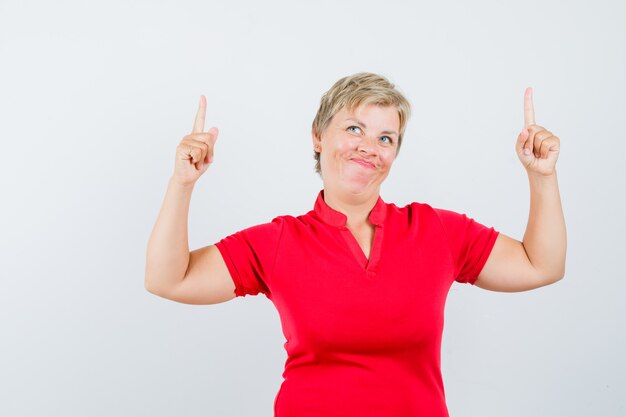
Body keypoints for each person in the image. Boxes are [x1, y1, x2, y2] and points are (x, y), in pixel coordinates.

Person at [144, 72, 566, 417]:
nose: (370, 147)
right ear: (318, 137)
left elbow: (539, 265)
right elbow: (169, 280)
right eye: (354, 129)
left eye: (386, 138)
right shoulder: (278, 242)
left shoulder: (436, 230)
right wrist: (182, 183)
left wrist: (542, 176)